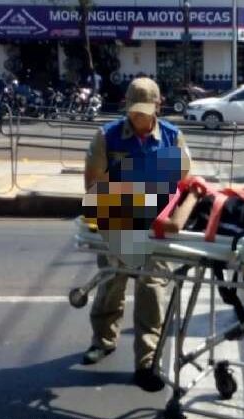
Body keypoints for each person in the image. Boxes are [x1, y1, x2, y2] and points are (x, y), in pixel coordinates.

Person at [82, 77, 192, 392]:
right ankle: (103, 340)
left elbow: (183, 184)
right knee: (110, 283)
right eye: (135, 111)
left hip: (156, 227)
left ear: (158, 106)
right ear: (127, 107)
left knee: (152, 291)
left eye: (146, 111)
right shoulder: (107, 137)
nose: (140, 118)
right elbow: (94, 188)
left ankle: (147, 361)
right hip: (117, 220)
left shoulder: (172, 138)